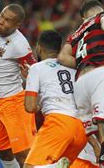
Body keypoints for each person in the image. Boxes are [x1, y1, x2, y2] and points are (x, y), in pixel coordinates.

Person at [58, 0, 104, 168]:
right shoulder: (102, 17)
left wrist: (83, 60)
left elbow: (62, 58)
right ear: (99, 10)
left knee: (87, 131)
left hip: (80, 83)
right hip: (101, 72)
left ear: (82, 17)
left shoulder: (75, 34)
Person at [0, 4, 37, 167]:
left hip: (14, 103)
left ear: (17, 25)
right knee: (4, 152)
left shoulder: (19, 44)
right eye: (1, 16)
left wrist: (29, 77)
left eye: (7, 20)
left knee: (23, 155)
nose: (1, 21)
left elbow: (35, 69)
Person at [24, 30, 87, 167]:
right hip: (80, 129)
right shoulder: (73, 68)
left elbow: (29, 106)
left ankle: (54, 167)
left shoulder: (36, 68)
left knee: (30, 166)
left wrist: (38, 106)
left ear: (39, 48)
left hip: (59, 123)